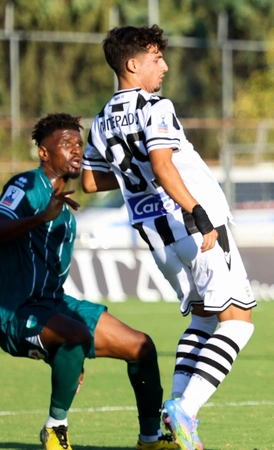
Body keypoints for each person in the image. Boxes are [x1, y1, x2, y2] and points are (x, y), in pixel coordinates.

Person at [81, 25, 256, 450]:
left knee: (203, 318)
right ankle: (185, 409)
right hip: (194, 225)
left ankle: (173, 419)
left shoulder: (101, 119)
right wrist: (199, 213)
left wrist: (132, 177)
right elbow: (163, 165)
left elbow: (89, 182)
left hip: (158, 240)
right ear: (132, 64)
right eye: (156, 58)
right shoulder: (156, 106)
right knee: (238, 322)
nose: (164, 66)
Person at [0, 113, 177, 450]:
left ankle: (151, 440)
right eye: (66, 144)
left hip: (53, 304)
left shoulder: (65, 209)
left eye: (79, 144)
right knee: (76, 336)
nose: (76, 150)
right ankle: (55, 429)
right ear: (44, 153)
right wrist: (40, 217)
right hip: (14, 310)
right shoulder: (26, 186)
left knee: (141, 346)